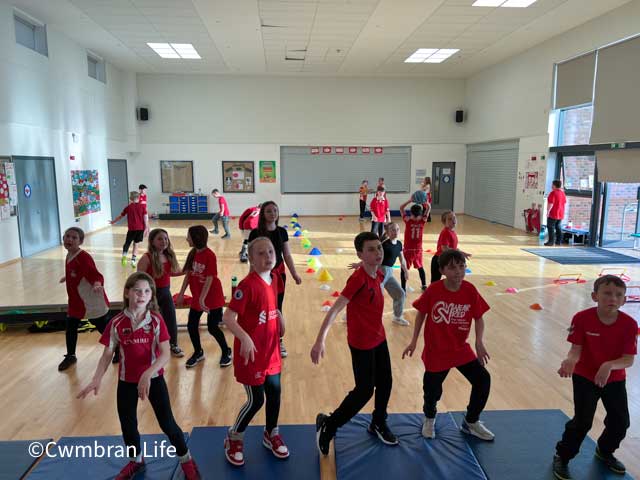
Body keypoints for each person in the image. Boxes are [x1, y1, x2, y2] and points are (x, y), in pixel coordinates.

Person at [77, 272, 200, 480]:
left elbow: (165, 353)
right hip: (126, 382)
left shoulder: (156, 320)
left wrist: (147, 374)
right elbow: (107, 354)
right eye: (137, 291)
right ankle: (136, 460)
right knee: (128, 425)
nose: (142, 295)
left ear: (151, 295)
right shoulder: (116, 322)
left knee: (168, 423)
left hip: (154, 380)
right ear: (127, 293)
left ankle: (186, 459)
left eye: (146, 291)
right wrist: (96, 378)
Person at [312, 232, 398, 456]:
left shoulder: (378, 274)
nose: (378, 252)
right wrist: (320, 340)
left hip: (379, 337)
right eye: (371, 249)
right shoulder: (358, 279)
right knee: (364, 390)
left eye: (379, 248)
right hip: (362, 343)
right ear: (360, 254)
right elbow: (335, 308)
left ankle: (378, 422)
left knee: (386, 382)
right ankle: (329, 425)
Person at [402, 249, 494, 442]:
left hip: (460, 349)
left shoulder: (470, 290)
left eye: (462, 266)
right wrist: (413, 341)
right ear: (442, 270)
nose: (458, 271)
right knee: (432, 391)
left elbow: (479, 318)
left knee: (483, 380)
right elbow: (421, 314)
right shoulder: (434, 290)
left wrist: (479, 342)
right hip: (437, 351)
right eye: (452, 268)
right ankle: (429, 418)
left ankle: (471, 421)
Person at [552, 275, 637, 480]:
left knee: (620, 422)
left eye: (618, 295)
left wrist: (608, 365)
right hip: (585, 377)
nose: (613, 298)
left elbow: (628, 360)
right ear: (594, 296)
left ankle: (605, 451)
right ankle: (562, 456)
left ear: (625, 300)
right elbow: (575, 350)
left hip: (614, 379)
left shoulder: (630, 325)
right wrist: (570, 360)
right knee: (582, 421)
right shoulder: (582, 318)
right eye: (607, 293)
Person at [222, 237, 289, 466]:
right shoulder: (246, 286)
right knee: (256, 400)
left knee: (275, 393)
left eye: (270, 251)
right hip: (251, 355)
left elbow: (272, 309)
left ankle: (271, 433)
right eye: (261, 253)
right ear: (250, 258)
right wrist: (245, 338)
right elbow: (228, 317)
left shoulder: (275, 279)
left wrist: (280, 319)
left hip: (271, 351)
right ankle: (234, 437)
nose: (268, 256)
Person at [249, 201, 302, 357]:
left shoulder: (282, 232)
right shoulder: (255, 233)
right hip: (260, 275)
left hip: (278, 275)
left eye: (275, 210)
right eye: (269, 211)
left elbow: (287, 255)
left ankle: (278, 339)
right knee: (260, 307)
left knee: (277, 307)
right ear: (263, 214)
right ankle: (260, 336)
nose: (273, 214)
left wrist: (294, 274)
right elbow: (252, 258)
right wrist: (250, 277)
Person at [176, 225, 232, 368]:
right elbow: (188, 275)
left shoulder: (209, 255)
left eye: (188, 236)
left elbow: (210, 278)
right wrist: (182, 293)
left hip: (212, 297)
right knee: (191, 325)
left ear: (196, 238)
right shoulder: (193, 253)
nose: (187, 238)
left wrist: (202, 298)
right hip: (198, 296)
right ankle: (198, 352)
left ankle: (226, 351)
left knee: (213, 327)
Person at [57, 227, 112, 371]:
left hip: (90, 300)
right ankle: (70, 355)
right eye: (67, 236)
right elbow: (75, 272)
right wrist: (66, 277)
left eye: (74, 238)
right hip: (76, 301)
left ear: (80, 241)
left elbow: (95, 275)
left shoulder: (84, 257)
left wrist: (97, 283)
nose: (69, 239)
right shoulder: (69, 255)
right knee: (70, 327)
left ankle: (118, 349)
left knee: (101, 327)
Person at [348, 222, 409, 326]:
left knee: (400, 293)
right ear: (388, 232)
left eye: (397, 229)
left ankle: (397, 317)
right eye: (393, 230)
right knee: (375, 297)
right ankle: (352, 314)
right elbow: (372, 256)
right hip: (380, 271)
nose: (396, 232)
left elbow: (402, 260)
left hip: (389, 273)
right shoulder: (383, 245)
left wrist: (406, 271)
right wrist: (359, 264)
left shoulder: (399, 244)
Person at [137, 228, 185, 358]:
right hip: (151, 295)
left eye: (165, 238)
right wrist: (148, 296)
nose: (163, 241)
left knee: (170, 318)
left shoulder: (168, 256)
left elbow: (172, 272)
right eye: (159, 239)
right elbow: (139, 278)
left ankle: (173, 344)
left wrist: (186, 270)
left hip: (165, 293)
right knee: (151, 322)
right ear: (152, 241)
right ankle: (150, 347)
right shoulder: (146, 258)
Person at [110, 191, 149, 268]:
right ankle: (133, 261)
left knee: (127, 243)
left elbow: (121, 216)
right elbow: (145, 218)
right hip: (140, 229)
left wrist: (113, 221)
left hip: (131, 229)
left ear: (130, 198)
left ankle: (124, 256)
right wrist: (147, 228)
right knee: (136, 244)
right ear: (139, 198)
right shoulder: (142, 207)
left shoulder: (128, 207)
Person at [431, 211, 471, 285]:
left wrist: (460, 252)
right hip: (439, 260)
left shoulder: (452, 232)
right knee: (434, 283)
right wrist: (459, 253)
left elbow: (453, 247)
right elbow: (444, 248)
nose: (453, 220)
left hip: (447, 260)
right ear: (444, 222)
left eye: (454, 218)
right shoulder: (446, 232)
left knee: (452, 280)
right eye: (450, 219)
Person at [399, 201, 429, 292]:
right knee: (420, 268)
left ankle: (403, 288)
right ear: (421, 214)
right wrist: (425, 202)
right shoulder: (422, 220)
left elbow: (401, 208)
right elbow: (428, 208)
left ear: (411, 213)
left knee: (404, 268)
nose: (415, 217)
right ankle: (424, 285)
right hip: (417, 250)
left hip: (409, 249)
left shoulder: (408, 220)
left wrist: (410, 200)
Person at [545, 180, 567, 246]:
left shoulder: (553, 193)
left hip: (553, 213)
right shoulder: (563, 193)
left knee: (550, 227)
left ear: (554, 185)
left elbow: (551, 203)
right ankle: (559, 241)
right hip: (561, 213)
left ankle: (551, 242)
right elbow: (564, 202)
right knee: (558, 227)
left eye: (552, 184)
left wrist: (548, 211)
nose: (551, 186)